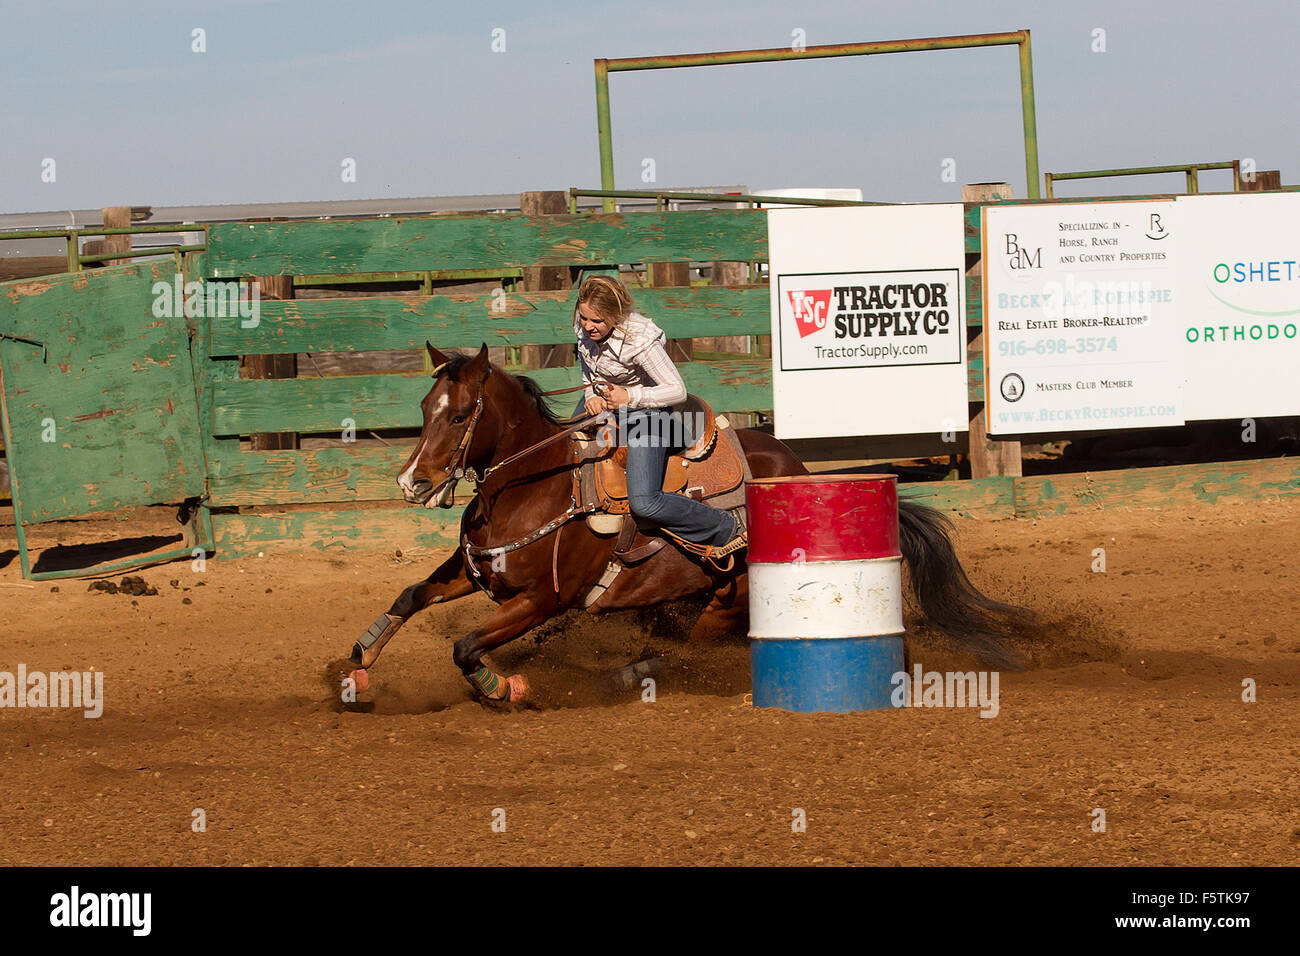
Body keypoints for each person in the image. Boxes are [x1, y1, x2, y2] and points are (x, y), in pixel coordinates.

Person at [573, 274, 745, 554]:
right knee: (562, 450)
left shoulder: (640, 339)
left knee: (645, 502)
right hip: (609, 401)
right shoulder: (584, 327)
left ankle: (725, 526)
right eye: (584, 318)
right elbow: (587, 366)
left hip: (651, 414)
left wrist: (630, 397)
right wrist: (591, 395)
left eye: (597, 321)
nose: (588, 326)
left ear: (615, 316)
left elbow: (677, 390)